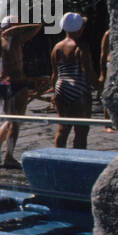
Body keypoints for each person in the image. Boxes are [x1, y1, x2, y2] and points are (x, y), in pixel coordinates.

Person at [0, 16, 49, 168]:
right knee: (16, 121)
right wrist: (13, 28)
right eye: (18, 26)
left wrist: (5, 29)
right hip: (15, 82)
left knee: (9, 119)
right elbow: (37, 26)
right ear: (13, 27)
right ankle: (9, 156)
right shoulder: (13, 40)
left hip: (1, 82)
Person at [50, 12, 100, 149]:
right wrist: (100, 87)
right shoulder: (81, 47)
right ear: (80, 28)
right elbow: (88, 70)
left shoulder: (57, 47)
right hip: (79, 88)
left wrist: (54, 93)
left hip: (61, 87)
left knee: (63, 128)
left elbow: (54, 74)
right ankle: (78, 160)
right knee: (81, 130)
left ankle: (58, 158)